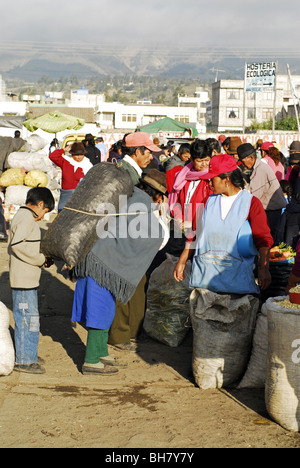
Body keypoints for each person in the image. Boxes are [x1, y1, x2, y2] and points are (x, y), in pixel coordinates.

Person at [72, 170, 168, 374]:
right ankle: (90, 360)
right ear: (158, 196)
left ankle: (101, 352)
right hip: (103, 263)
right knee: (100, 310)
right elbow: (155, 237)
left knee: (105, 309)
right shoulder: (144, 205)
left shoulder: (129, 195)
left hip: (95, 257)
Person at [174, 154, 273, 296]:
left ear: (226, 179)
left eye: (212, 179)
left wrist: (264, 268)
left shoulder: (251, 203)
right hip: (205, 282)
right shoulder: (207, 201)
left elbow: (263, 239)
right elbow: (193, 234)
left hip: (237, 285)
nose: (209, 183)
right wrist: (182, 261)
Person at [108, 132, 162, 350]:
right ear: (137, 151)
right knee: (123, 285)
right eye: (148, 152)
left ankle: (133, 331)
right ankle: (119, 335)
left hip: (133, 236)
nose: (151, 156)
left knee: (137, 285)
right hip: (124, 238)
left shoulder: (133, 172)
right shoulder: (124, 174)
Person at [7, 187, 55, 374]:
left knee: (31, 319)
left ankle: (28, 353)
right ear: (40, 204)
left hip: (28, 280)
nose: (43, 217)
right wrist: (40, 259)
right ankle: (25, 360)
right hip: (23, 281)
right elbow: (17, 245)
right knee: (27, 320)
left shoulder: (25, 217)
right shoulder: (25, 218)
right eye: (44, 211)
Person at [237, 143, 286, 240]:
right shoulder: (258, 167)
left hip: (271, 209)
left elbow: (254, 197)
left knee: (267, 238)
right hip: (271, 208)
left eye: (243, 162)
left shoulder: (260, 170)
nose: (243, 165)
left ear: (250, 158)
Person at [168, 139, 212, 245]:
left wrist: (192, 224)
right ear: (191, 159)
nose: (204, 164)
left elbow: (211, 209)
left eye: (206, 160)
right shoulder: (182, 177)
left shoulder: (212, 180)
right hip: (183, 232)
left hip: (203, 233)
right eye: (199, 161)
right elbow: (176, 200)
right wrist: (179, 217)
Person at [49, 142, 93, 212]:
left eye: (81, 154)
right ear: (72, 154)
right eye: (76, 154)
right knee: (62, 214)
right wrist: (63, 150)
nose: (78, 157)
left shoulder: (88, 164)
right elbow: (52, 156)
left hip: (81, 196)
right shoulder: (66, 161)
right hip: (65, 194)